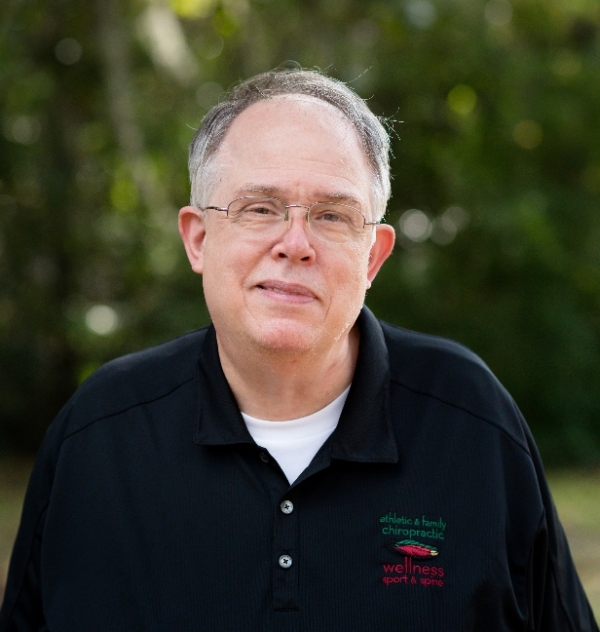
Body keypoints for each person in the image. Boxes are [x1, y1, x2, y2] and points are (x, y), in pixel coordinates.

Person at [0, 68, 597, 632]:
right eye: (259, 208)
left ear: (373, 257)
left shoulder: (472, 425)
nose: (295, 243)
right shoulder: (100, 437)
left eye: (332, 215)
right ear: (199, 238)